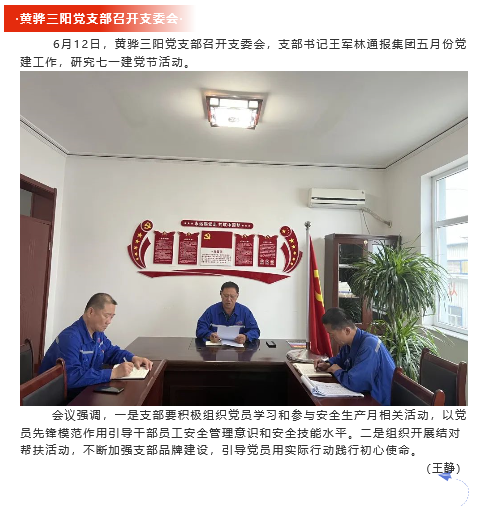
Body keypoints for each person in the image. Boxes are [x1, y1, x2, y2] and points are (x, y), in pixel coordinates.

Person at [38, 293, 153, 397]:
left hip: (84, 391)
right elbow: (71, 377)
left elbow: (111, 352)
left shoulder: (98, 334)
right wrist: (113, 373)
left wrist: (133, 358)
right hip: (56, 400)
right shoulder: (70, 338)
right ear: (90, 312)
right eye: (106, 315)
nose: (109, 321)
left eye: (112, 317)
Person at [313, 307, 395, 405]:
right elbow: (340, 360)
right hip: (364, 396)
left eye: (332, 334)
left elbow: (357, 383)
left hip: (377, 401)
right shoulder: (349, 343)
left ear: (347, 331)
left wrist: (337, 371)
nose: (331, 338)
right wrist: (327, 364)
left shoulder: (369, 345)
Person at [196, 281, 260, 344]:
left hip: (239, 348)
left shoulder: (245, 312)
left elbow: (255, 330)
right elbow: (200, 329)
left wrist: (245, 337)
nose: (229, 299)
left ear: (237, 295)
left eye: (232, 296)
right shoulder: (211, 311)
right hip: (215, 348)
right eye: (226, 295)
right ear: (221, 294)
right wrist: (209, 335)